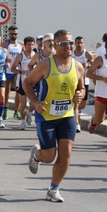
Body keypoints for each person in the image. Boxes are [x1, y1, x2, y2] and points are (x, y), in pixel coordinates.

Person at [23, 29, 85, 202]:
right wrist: (35, 102)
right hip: (46, 117)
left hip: (67, 116)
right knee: (49, 156)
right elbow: (27, 83)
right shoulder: (46, 65)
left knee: (66, 153)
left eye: (71, 42)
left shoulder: (78, 66)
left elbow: (81, 88)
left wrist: (80, 94)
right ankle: (36, 155)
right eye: (64, 43)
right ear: (55, 46)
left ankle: (53, 189)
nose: (69, 46)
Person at [11, 36, 35, 130]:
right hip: (21, 82)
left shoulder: (35, 55)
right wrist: (21, 72)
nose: (30, 46)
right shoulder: (20, 56)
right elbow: (13, 68)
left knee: (34, 102)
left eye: (32, 44)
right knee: (23, 103)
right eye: (28, 44)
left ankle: (29, 113)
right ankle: (23, 121)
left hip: (32, 83)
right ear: (25, 45)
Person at [71, 36, 94, 132]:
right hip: (73, 81)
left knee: (82, 105)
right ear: (75, 43)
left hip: (85, 81)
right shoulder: (71, 54)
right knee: (76, 103)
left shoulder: (87, 53)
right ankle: (76, 124)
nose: (79, 44)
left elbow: (94, 65)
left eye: (81, 43)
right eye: (77, 43)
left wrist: (87, 65)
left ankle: (76, 113)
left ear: (83, 43)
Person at [1, 25, 23, 120]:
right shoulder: (5, 44)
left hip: (17, 70)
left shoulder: (21, 43)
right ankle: (5, 109)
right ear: (8, 34)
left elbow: (24, 55)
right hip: (8, 70)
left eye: (15, 34)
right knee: (7, 90)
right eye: (12, 34)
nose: (14, 35)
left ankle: (16, 111)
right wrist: (5, 62)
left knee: (18, 91)